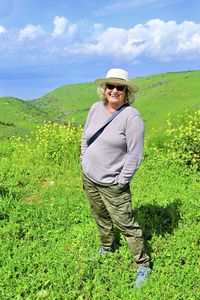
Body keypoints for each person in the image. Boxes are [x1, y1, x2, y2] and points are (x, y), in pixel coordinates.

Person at [80, 68, 151, 287]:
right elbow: (86, 136)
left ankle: (143, 265)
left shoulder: (132, 118)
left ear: (126, 92)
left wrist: (121, 181)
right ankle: (107, 248)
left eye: (120, 87)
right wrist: (83, 158)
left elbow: (135, 154)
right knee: (100, 216)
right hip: (90, 177)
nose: (114, 90)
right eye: (110, 86)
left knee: (126, 224)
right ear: (104, 89)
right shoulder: (95, 108)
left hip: (112, 183)